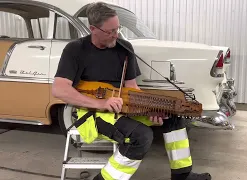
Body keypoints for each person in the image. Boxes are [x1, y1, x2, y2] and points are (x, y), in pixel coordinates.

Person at [52, 2, 212, 180]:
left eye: (118, 28)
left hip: (124, 105)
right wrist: (101, 103)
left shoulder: (124, 48)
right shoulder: (75, 50)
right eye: (110, 31)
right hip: (91, 113)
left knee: (173, 118)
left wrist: (149, 109)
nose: (116, 34)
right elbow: (59, 89)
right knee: (141, 136)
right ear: (93, 29)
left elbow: (132, 88)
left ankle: (183, 175)